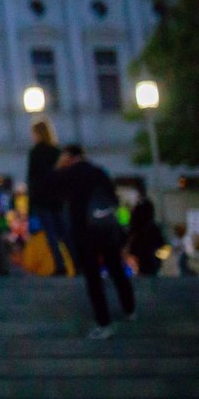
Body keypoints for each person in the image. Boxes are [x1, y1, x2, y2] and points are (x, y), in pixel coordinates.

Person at [49, 144, 135, 339]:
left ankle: (104, 322)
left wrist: (58, 167)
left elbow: (50, 188)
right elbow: (113, 198)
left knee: (93, 277)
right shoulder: (98, 172)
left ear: (68, 156)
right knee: (116, 268)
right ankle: (129, 308)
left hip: (84, 231)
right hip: (105, 227)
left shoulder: (68, 173)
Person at [26, 119, 70, 275]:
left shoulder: (35, 152)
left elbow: (32, 179)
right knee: (64, 233)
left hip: (42, 199)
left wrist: (30, 204)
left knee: (50, 233)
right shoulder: (56, 152)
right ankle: (76, 262)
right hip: (57, 199)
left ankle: (60, 264)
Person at [125, 190, 165, 277]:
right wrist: (159, 259)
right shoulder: (154, 229)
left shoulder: (135, 230)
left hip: (139, 264)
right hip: (150, 264)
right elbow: (163, 246)